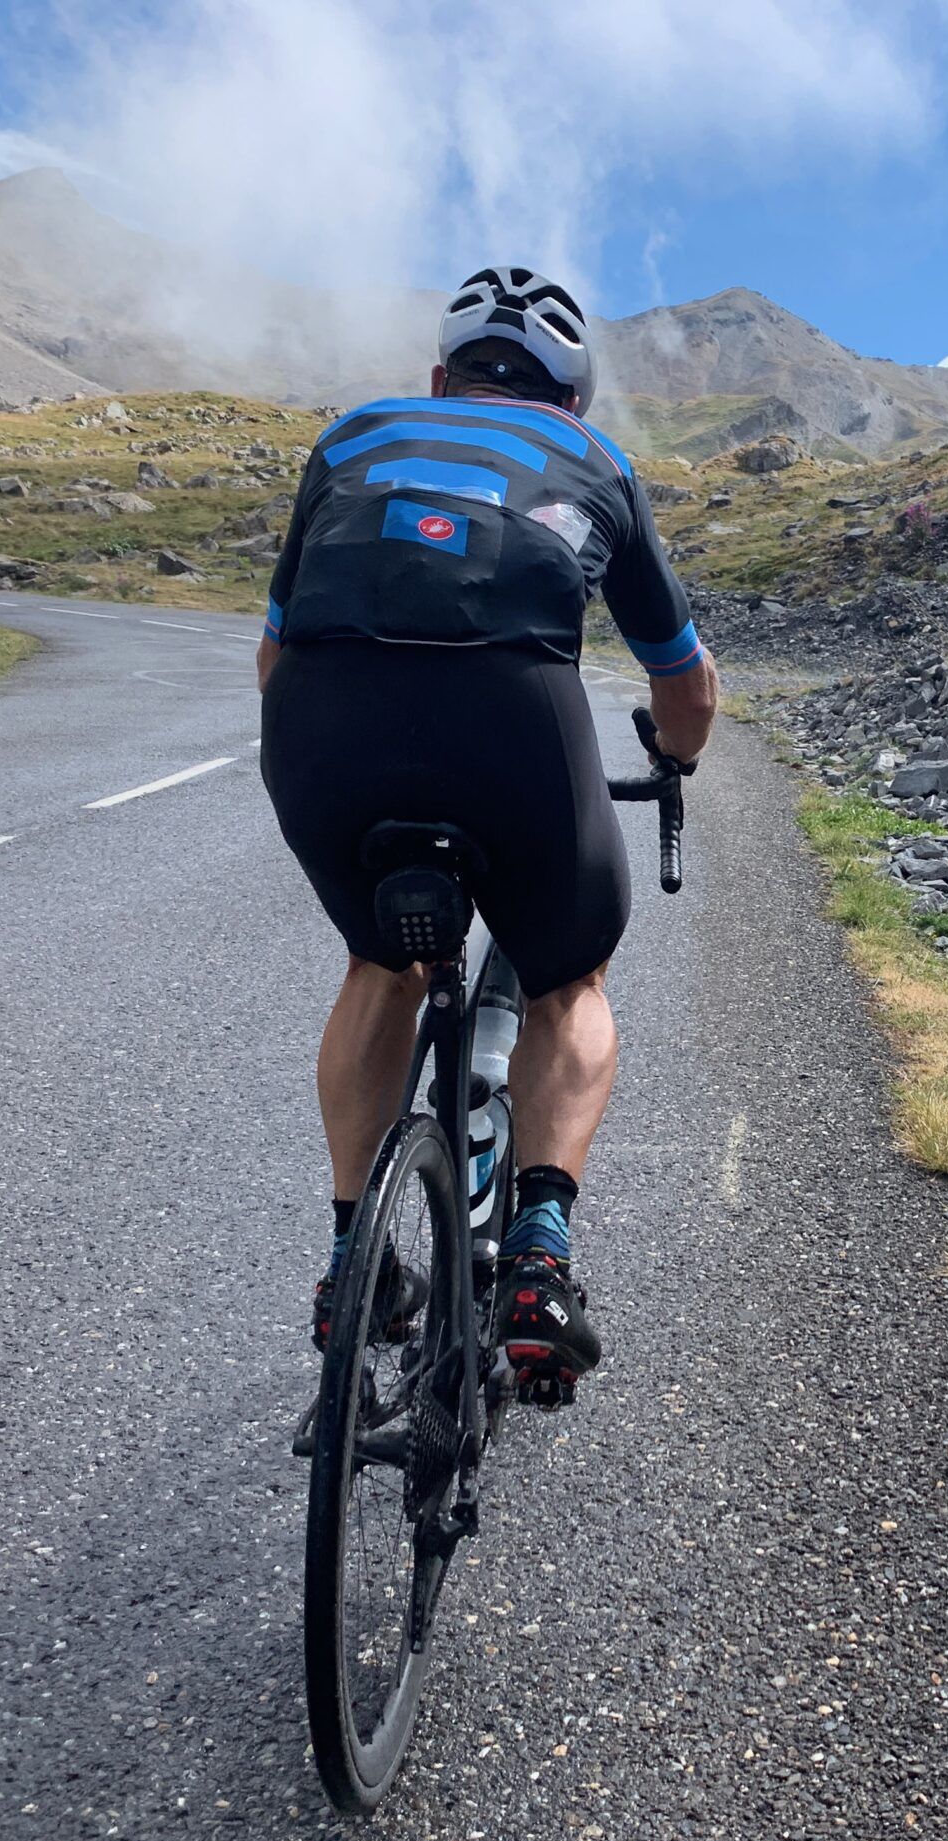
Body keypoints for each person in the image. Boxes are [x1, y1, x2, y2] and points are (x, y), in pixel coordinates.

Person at [256, 265, 718, 1405]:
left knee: (381, 963)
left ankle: (344, 1258)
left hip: (322, 726)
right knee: (568, 979)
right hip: (513, 726)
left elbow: (272, 656)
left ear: (438, 380)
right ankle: (539, 1262)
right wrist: (671, 762)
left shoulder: (353, 433)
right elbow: (685, 683)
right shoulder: (597, 461)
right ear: (573, 401)